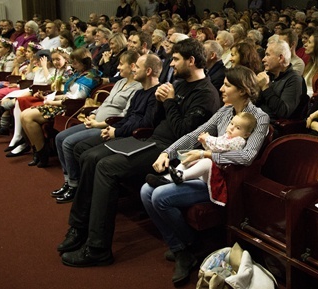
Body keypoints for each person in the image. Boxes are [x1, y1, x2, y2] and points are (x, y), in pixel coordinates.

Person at [57, 39, 220, 268]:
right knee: (89, 157)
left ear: (191, 61)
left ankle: (98, 247)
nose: (171, 65)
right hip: (151, 140)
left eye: (175, 60)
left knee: (105, 167)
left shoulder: (207, 94)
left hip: (171, 151)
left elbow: (182, 131)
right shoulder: (180, 85)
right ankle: (79, 227)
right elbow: (157, 120)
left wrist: (170, 101)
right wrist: (158, 101)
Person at [140, 66, 269, 284]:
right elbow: (193, 135)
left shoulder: (259, 118)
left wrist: (207, 153)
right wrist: (166, 152)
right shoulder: (225, 111)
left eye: (228, 85)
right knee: (145, 191)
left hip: (225, 181)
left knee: (159, 197)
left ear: (243, 91)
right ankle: (181, 249)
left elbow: (247, 156)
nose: (221, 88)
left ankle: (189, 246)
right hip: (205, 172)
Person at [52, 53, 161, 204]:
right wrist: (93, 114)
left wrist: (110, 128)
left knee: (73, 145)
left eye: (122, 64)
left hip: (112, 126)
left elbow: (129, 117)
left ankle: (78, 186)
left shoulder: (142, 90)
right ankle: (72, 182)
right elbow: (109, 105)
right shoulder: (122, 84)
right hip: (105, 123)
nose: (118, 67)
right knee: (61, 138)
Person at [18, 47, 102, 167]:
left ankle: (43, 154)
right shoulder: (79, 73)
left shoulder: (90, 77)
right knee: (23, 114)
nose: (72, 64)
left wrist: (51, 102)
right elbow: (67, 94)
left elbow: (75, 100)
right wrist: (49, 98)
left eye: (75, 62)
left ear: (84, 62)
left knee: (28, 117)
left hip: (71, 109)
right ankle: (37, 151)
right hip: (65, 104)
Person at [145, 111, 257, 187]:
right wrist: (204, 142)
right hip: (208, 171)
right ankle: (170, 177)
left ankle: (182, 176)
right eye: (231, 123)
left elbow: (220, 145)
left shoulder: (239, 141)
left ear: (246, 134)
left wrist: (208, 138)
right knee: (191, 158)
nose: (231, 128)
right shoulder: (227, 135)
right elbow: (212, 148)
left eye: (237, 128)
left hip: (219, 174)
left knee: (206, 162)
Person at [256, 40, 305, 119]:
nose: (263, 59)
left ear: (281, 58)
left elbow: (283, 112)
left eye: (267, 55)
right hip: (256, 117)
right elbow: (255, 103)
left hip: (273, 126)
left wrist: (265, 88)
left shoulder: (294, 79)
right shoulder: (268, 75)